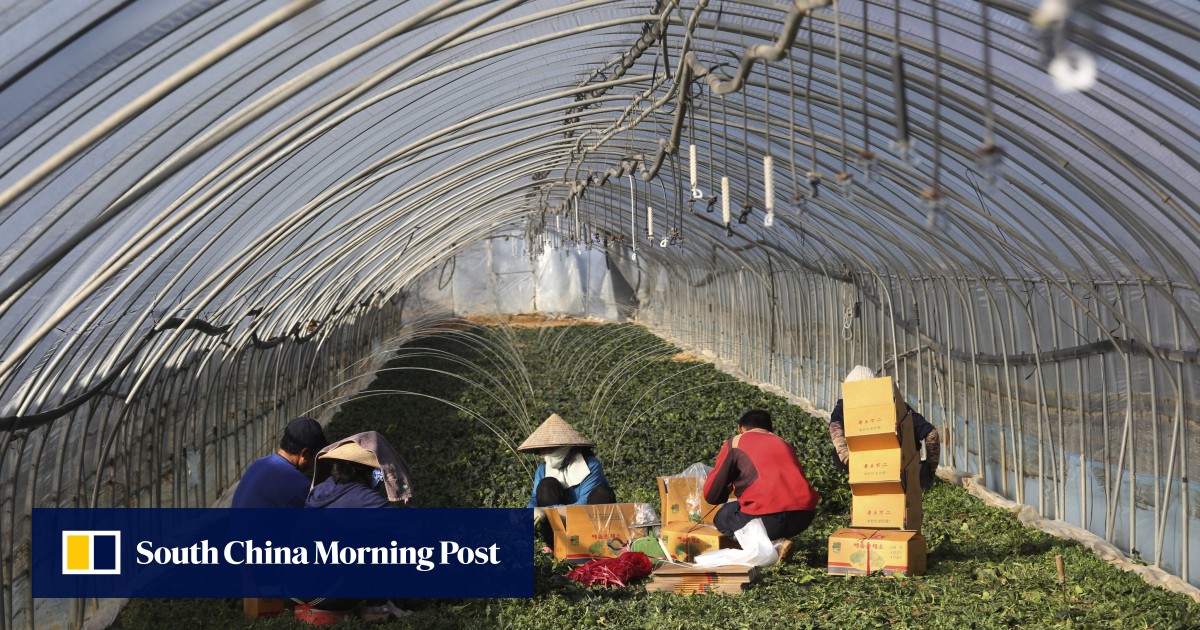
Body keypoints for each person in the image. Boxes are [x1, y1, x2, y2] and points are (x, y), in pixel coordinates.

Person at [703, 409, 820, 541]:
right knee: (743, 509)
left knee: (723, 516)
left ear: (740, 428)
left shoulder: (735, 442)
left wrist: (726, 490)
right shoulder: (784, 443)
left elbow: (711, 496)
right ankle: (778, 541)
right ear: (770, 429)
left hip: (768, 520)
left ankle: (768, 548)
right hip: (803, 518)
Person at [829, 365, 941, 490]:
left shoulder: (845, 407)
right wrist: (930, 470)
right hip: (902, 475)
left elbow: (835, 429)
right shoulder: (896, 406)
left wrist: (848, 459)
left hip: (863, 473)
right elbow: (932, 434)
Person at [518, 413, 616, 508]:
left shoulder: (590, 465)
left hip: (585, 516)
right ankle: (549, 524)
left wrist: (549, 510)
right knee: (546, 484)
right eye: (542, 449)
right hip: (555, 519)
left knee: (603, 493)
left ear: (566, 447)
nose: (545, 453)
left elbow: (584, 502)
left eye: (550, 448)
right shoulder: (543, 469)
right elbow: (535, 499)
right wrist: (528, 514)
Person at [232, 416, 328, 508]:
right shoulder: (299, 485)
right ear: (305, 454)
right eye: (316, 455)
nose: (314, 462)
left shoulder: (257, 464)